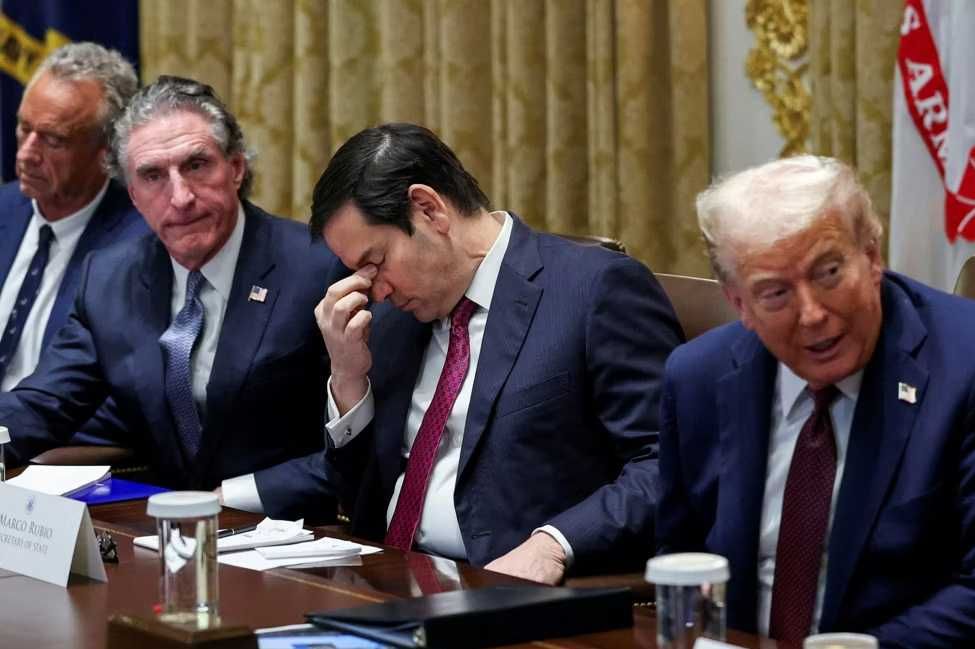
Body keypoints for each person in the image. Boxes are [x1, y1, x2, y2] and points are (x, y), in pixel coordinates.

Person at [311, 123, 683, 584]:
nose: (376, 290)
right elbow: (357, 500)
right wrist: (348, 379)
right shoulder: (389, 323)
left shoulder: (593, 291)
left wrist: (555, 544)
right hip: (385, 581)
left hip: (508, 590)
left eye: (377, 262)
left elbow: (667, 461)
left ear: (428, 209)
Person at [657, 155, 975, 647]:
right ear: (739, 303)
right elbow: (682, 561)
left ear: (872, 257)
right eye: (775, 293)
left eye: (828, 272)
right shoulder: (696, 378)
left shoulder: (963, 365)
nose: (812, 314)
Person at [0, 75, 345, 518]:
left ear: (236, 168)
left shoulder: (317, 267)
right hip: (163, 532)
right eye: (152, 176)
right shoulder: (109, 279)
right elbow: (43, 405)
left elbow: (358, 444)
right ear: (133, 194)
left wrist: (229, 497)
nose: (180, 197)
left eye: (196, 165)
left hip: (297, 531)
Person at [0, 42, 147, 442]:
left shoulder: (142, 247)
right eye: (24, 128)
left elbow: (123, 406)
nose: (26, 154)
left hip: (52, 455)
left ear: (107, 151)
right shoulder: (4, 208)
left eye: (53, 140)